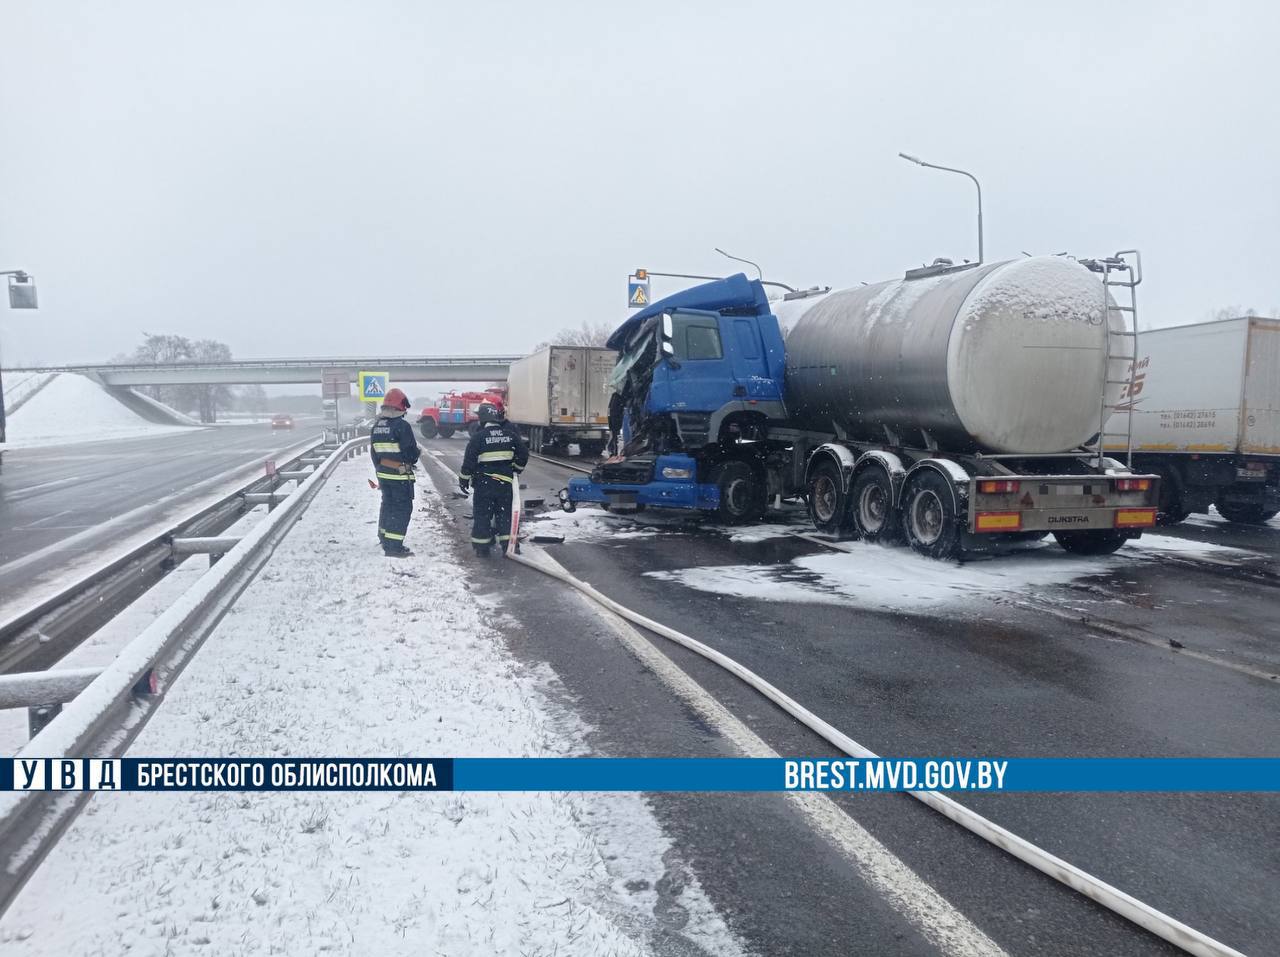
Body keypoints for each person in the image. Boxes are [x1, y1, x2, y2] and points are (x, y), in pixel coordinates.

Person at [459, 398, 529, 557]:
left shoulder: (478, 437)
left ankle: (482, 549)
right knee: (505, 515)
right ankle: (509, 546)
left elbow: (468, 462)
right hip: (505, 484)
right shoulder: (510, 435)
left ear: (482, 418)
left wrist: (463, 480)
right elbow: (524, 454)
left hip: (484, 485)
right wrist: (515, 470)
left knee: (483, 515)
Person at [370, 387, 420, 557]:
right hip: (399, 474)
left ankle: (384, 538)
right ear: (400, 407)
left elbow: (374, 454)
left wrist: (380, 470)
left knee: (388, 505)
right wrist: (416, 454)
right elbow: (410, 454)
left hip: (383, 473)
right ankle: (394, 546)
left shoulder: (376, 426)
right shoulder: (402, 426)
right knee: (402, 508)